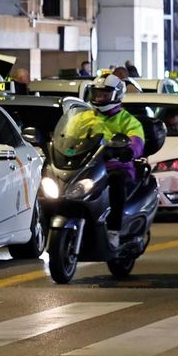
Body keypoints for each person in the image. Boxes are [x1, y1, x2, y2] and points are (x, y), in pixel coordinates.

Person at [63, 76, 145, 247]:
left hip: (115, 166)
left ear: (116, 95)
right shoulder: (81, 118)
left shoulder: (128, 120)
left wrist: (126, 151)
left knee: (117, 182)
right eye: (97, 94)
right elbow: (66, 139)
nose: (99, 98)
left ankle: (114, 230)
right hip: (86, 166)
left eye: (105, 95)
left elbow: (136, 143)